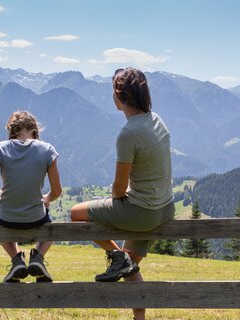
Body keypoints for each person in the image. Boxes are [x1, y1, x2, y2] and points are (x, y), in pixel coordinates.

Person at [70, 67, 174, 320]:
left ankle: (116, 255)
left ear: (121, 96)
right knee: (130, 267)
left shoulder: (129, 133)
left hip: (142, 212)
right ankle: (138, 312)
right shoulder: (156, 119)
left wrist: (118, 195)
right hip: (165, 208)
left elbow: (118, 188)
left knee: (75, 213)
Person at [0, 111, 62, 283]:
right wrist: (46, 199)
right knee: (51, 229)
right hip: (36, 217)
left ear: (12, 130)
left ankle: (17, 259)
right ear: (34, 129)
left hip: (7, 217)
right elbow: (57, 190)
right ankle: (37, 257)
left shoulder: (1, 148)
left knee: (1, 228)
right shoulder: (47, 149)